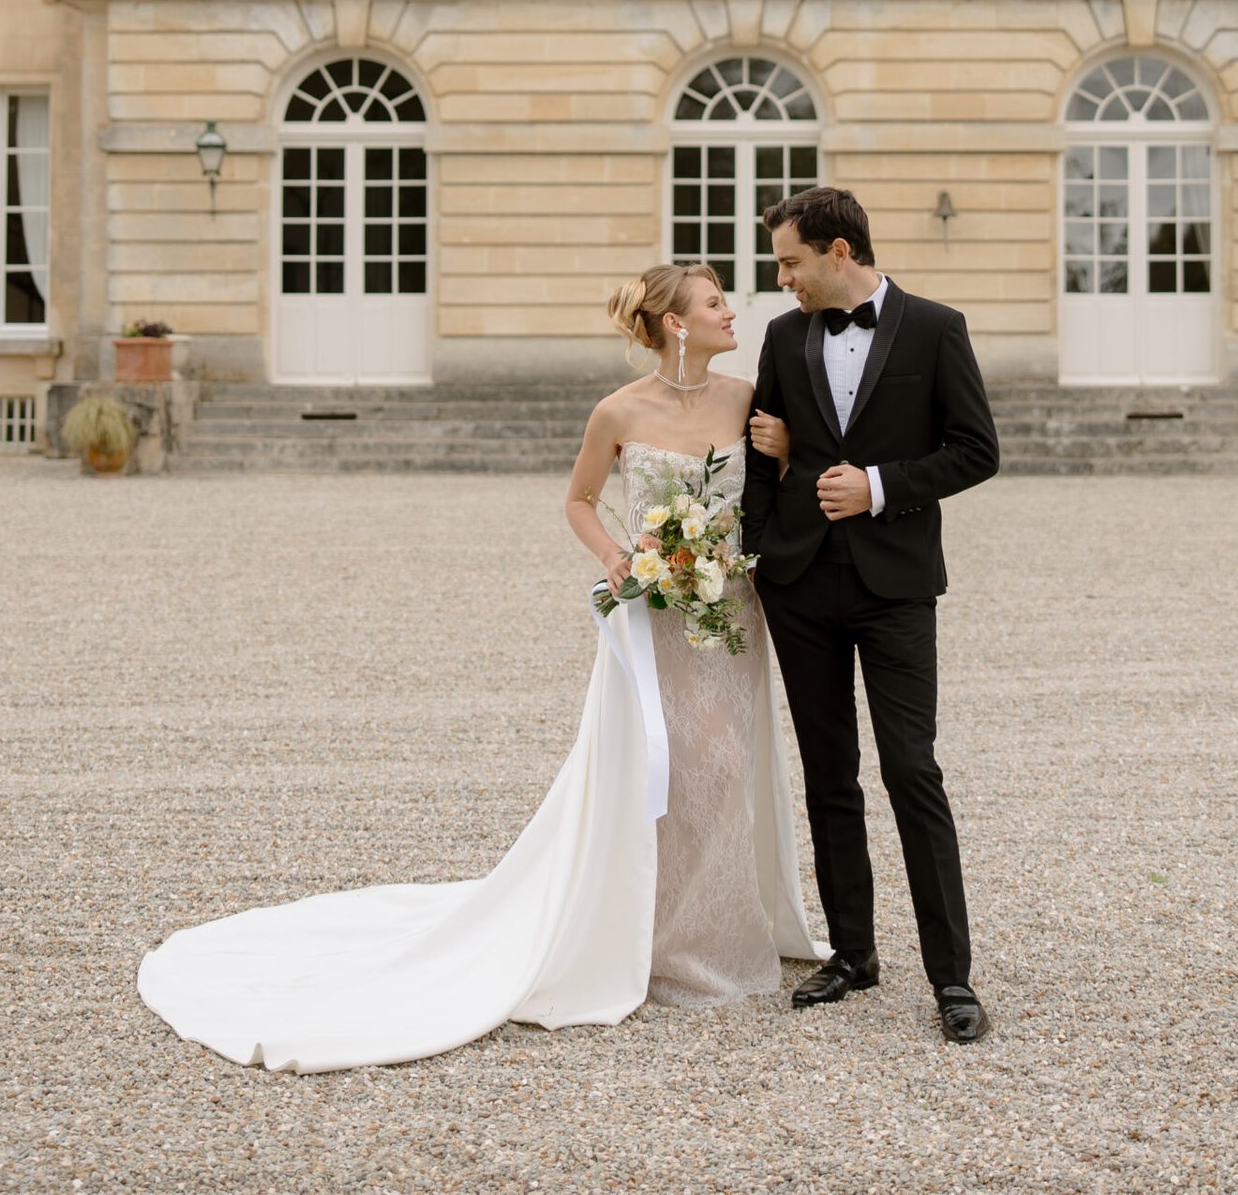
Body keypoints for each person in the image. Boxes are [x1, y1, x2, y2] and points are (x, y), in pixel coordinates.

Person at [136, 263, 825, 1071]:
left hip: (728, 615)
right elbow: (578, 500)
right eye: (715, 302)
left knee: (728, 763)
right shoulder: (618, 410)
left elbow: (778, 490)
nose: (730, 310)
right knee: (657, 769)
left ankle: (717, 930)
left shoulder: (747, 401)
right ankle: (646, 937)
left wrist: (781, 452)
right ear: (676, 323)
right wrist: (614, 555)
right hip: (655, 620)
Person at [744, 185, 1000, 1045]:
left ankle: (952, 977)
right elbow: (759, 453)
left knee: (911, 771)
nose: (782, 279)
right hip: (799, 581)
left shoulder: (936, 327)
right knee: (828, 774)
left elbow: (976, 450)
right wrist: (751, 558)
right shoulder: (783, 337)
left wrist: (880, 486)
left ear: (840, 253)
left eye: (791, 262)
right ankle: (853, 953)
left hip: (896, 585)